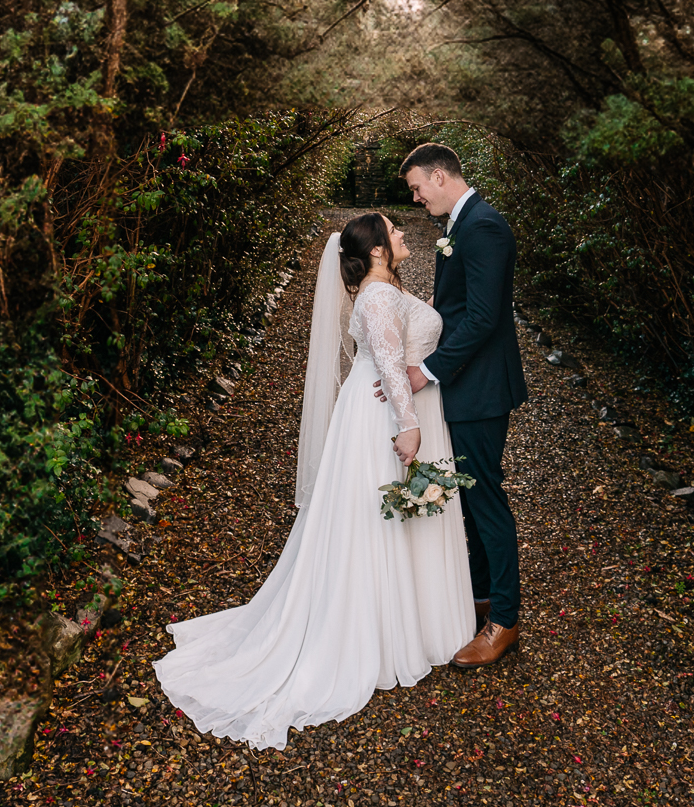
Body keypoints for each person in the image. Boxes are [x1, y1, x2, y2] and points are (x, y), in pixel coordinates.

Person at [151, 213, 473, 749]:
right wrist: (409, 426)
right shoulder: (376, 296)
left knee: (394, 517)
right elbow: (392, 368)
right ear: (374, 251)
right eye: (393, 232)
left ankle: (412, 621)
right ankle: (378, 633)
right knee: (381, 520)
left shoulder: (384, 290)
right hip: (389, 416)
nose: (402, 235)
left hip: (384, 407)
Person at [382, 142, 527, 669]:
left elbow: (484, 318)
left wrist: (428, 370)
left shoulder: (484, 226)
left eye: (418, 188)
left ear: (440, 176)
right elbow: (456, 308)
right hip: (467, 384)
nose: (417, 199)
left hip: (482, 387)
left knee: (485, 497)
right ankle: (484, 597)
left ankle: (505, 621)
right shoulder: (459, 226)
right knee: (469, 497)